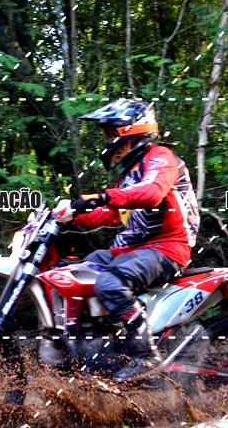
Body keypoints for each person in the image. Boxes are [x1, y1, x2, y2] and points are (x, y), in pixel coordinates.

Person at [54, 98, 200, 380]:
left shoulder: (160, 157)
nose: (107, 140)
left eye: (110, 133)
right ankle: (95, 345)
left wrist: (101, 196)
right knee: (76, 272)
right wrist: (68, 217)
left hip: (166, 248)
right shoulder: (128, 175)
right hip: (133, 249)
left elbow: (152, 193)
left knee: (109, 283)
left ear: (129, 131)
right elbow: (110, 214)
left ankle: (146, 354)